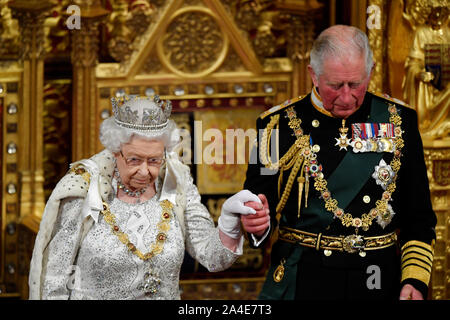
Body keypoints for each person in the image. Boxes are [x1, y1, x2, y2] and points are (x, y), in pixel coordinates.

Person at [242, 25, 437, 300]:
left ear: (370, 73)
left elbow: (419, 217)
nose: (346, 97)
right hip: (305, 278)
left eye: (356, 84)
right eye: (335, 86)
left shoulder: (399, 121)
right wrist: (256, 223)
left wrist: (414, 281)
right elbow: (257, 205)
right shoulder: (276, 126)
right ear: (314, 74)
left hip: (377, 278)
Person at [28, 94, 261, 300]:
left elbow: (212, 258)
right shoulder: (84, 186)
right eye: (134, 160)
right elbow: (54, 277)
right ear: (115, 151)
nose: (145, 171)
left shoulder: (177, 182)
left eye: (154, 161)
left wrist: (229, 220)